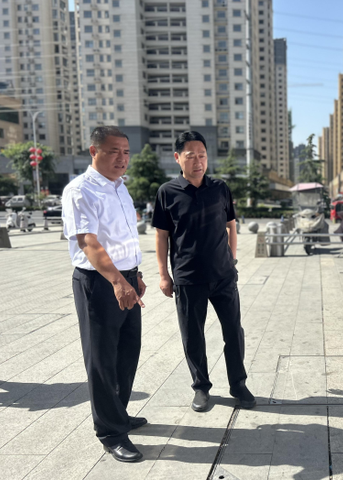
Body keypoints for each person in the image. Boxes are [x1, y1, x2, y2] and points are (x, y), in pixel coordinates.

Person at [61, 126, 147, 463]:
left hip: (126, 278)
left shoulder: (120, 188)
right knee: (102, 359)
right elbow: (89, 242)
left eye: (126, 152)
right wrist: (117, 281)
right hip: (99, 283)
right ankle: (111, 433)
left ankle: (119, 414)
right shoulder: (80, 190)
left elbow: (123, 237)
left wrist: (134, 275)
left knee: (127, 352)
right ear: (94, 151)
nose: (122, 158)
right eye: (114, 151)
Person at [152, 131, 255, 412]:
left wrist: (232, 260)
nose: (198, 161)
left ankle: (238, 384)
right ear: (177, 158)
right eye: (191, 156)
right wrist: (163, 275)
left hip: (223, 276)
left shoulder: (220, 188)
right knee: (193, 336)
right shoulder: (167, 192)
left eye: (202, 155)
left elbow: (231, 225)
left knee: (233, 331)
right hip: (188, 278)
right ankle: (201, 387)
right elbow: (162, 236)